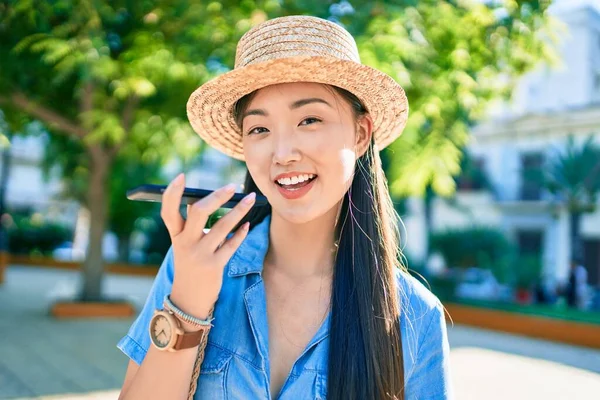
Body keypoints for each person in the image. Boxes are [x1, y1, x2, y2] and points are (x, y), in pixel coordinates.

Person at [116, 15, 453, 400]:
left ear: (361, 134)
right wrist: (187, 305)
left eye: (309, 120)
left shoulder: (415, 316)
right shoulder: (194, 262)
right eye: (259, 129)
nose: (282, 154)